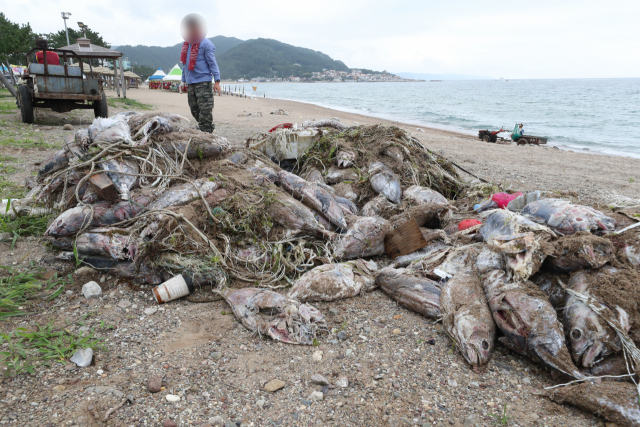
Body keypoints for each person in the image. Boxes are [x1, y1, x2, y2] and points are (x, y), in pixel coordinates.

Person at [179, 14, 221, 133]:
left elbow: (213, 63)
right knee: (194, 109)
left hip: (203, 81)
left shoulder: (206, 44)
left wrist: (217, 81)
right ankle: (205, 127)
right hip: (191, 82)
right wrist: (183, 80)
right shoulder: (186, 45)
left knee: (205, 109)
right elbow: (185, 65)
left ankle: (206, 130)